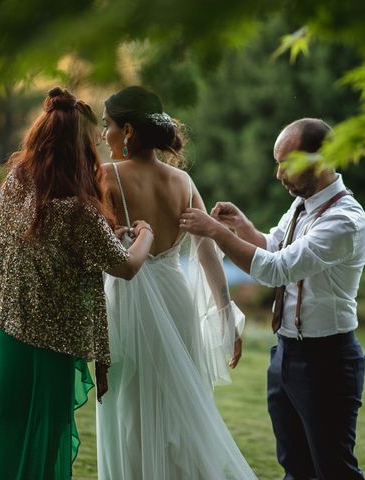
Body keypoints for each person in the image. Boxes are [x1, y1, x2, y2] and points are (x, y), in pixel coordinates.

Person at [0, 87, 154, 480]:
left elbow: (51, 252)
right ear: (82, 150)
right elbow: (127, 266)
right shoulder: (78, 209)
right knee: (33, 449)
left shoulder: (16, 185)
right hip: (38, 345)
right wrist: (145, 235)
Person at [180, 117, 365, 480]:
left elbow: (277, 269)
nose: (278, 174)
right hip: (286, 353)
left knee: (334, 470)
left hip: (327, 360)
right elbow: (274, 245)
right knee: (295, 466)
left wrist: (218, 233)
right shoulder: (303, 205)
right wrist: (244, 228)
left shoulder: (345, 221)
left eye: (286, 163)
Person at [96, 85, 256, 479]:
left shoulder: (106, 177)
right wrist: (225, 312)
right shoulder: (183, 182)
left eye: (107, 126)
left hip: (128, 304)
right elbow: (206, 253)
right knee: (177, 410)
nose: (104, 136)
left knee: (129, 410)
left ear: (128, 130)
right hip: (176, 300)